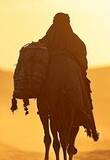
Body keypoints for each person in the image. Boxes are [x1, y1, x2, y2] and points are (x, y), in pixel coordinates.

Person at [39, 13, 98, 141]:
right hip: (72, 74)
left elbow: (38, 55)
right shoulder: (78, 42)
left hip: (52, 71)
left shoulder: (47, 38)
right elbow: (84, 65)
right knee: (84, 92)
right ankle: (86, 118)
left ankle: (43, 110)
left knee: (42, 92)